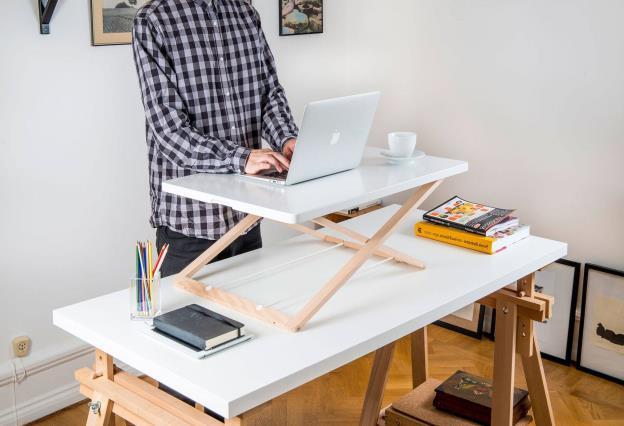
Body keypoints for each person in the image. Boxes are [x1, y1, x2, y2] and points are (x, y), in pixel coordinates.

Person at [132, 0, 298, 278]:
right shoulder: (153, 19)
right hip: (191, 225)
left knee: (250, 319)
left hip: (247, 216)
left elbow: (270, 94)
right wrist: (241, 158)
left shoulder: (245, 12)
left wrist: (286, 139)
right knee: (187, 321)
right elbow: (169, 131)